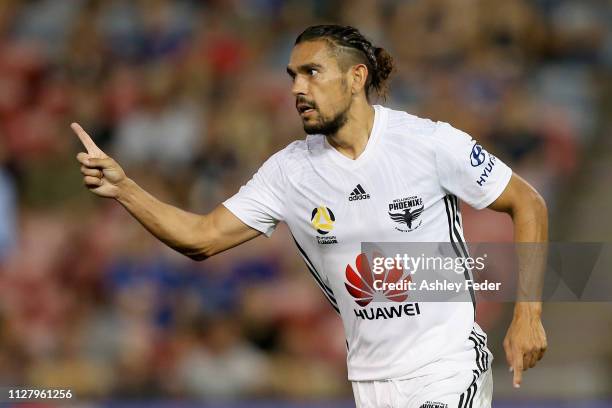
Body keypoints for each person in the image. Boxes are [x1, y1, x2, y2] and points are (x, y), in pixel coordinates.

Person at [73, 25, 547, 408]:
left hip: (447, 366)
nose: (297, 88)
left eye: (312, 73)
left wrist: (528, 314)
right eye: (292, 76)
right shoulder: (289, 172)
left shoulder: (429, 143)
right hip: (370, 381)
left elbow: (528, 203)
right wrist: (125, 189)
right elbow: (201, 236)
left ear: (356, 77)